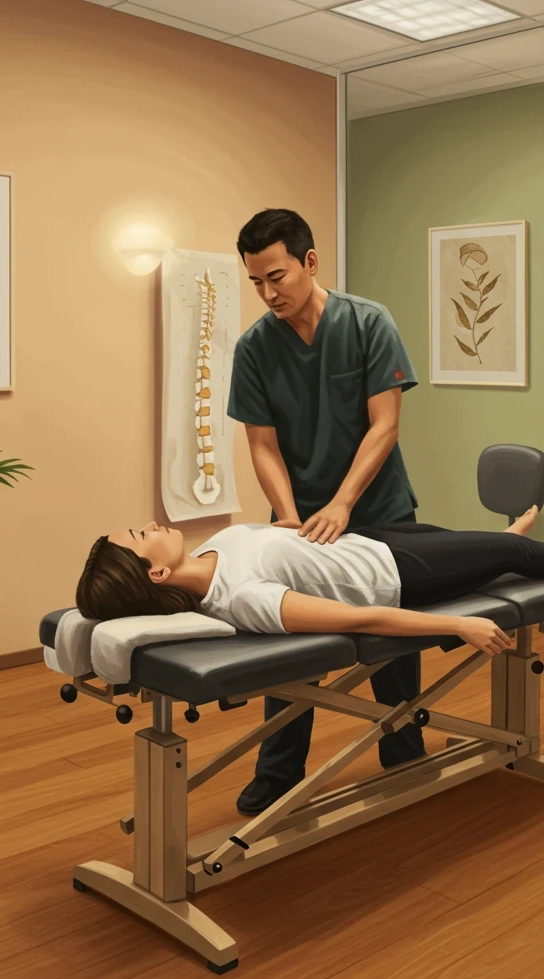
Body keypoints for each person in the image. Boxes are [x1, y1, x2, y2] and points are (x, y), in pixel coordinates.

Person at [223, 207, 426, 815]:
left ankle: (404, 748)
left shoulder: (368, 322)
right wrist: (286, 515)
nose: (267, 292)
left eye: (277, 276)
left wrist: (343, 503)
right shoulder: (255, 347)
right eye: (256, 281)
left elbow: (384, 425)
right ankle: (280, 771)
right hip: (300, 521)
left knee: (392, 643)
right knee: (289, 647)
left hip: (378, 507)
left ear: (311, 262)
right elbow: (262, 443)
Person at [75, 506, 544, 690]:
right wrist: (458, 627)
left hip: (369, 541)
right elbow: (361, 617)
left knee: (468, 542)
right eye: (140, 535)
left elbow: (280, 534)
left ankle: (498, 547)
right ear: (153, 573)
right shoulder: (242, 599)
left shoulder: (212, 548)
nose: (149, 523)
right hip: (395, 575)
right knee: (513, 557)